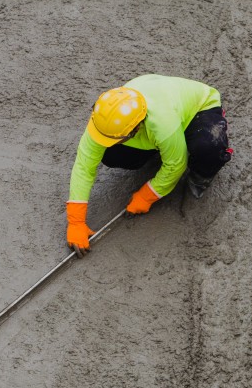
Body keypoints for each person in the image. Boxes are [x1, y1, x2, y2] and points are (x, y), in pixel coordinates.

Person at [65, 74, 233, 257]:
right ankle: (163, 148)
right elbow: (84, 166)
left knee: (208, 147)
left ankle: (202, 174)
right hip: (157, 122)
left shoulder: (162, 122)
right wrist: (76, 221)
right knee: (110, 153)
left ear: (135, 128)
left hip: (198, 109)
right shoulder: (104, 118)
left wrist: (147, 195)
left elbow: (176, 164)